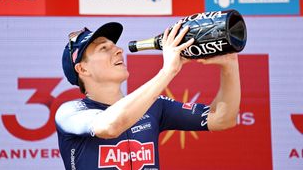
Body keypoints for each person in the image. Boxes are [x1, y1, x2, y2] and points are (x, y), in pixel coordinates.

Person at [55, 21, 241, 170]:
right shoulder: (69, 112)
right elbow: (110, 126)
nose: (119, 50)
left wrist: (230, 65)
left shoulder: (154, 106)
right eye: (104, 48)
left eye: (115, 46)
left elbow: (223, 119)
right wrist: (168, 71)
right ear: (82, 68)